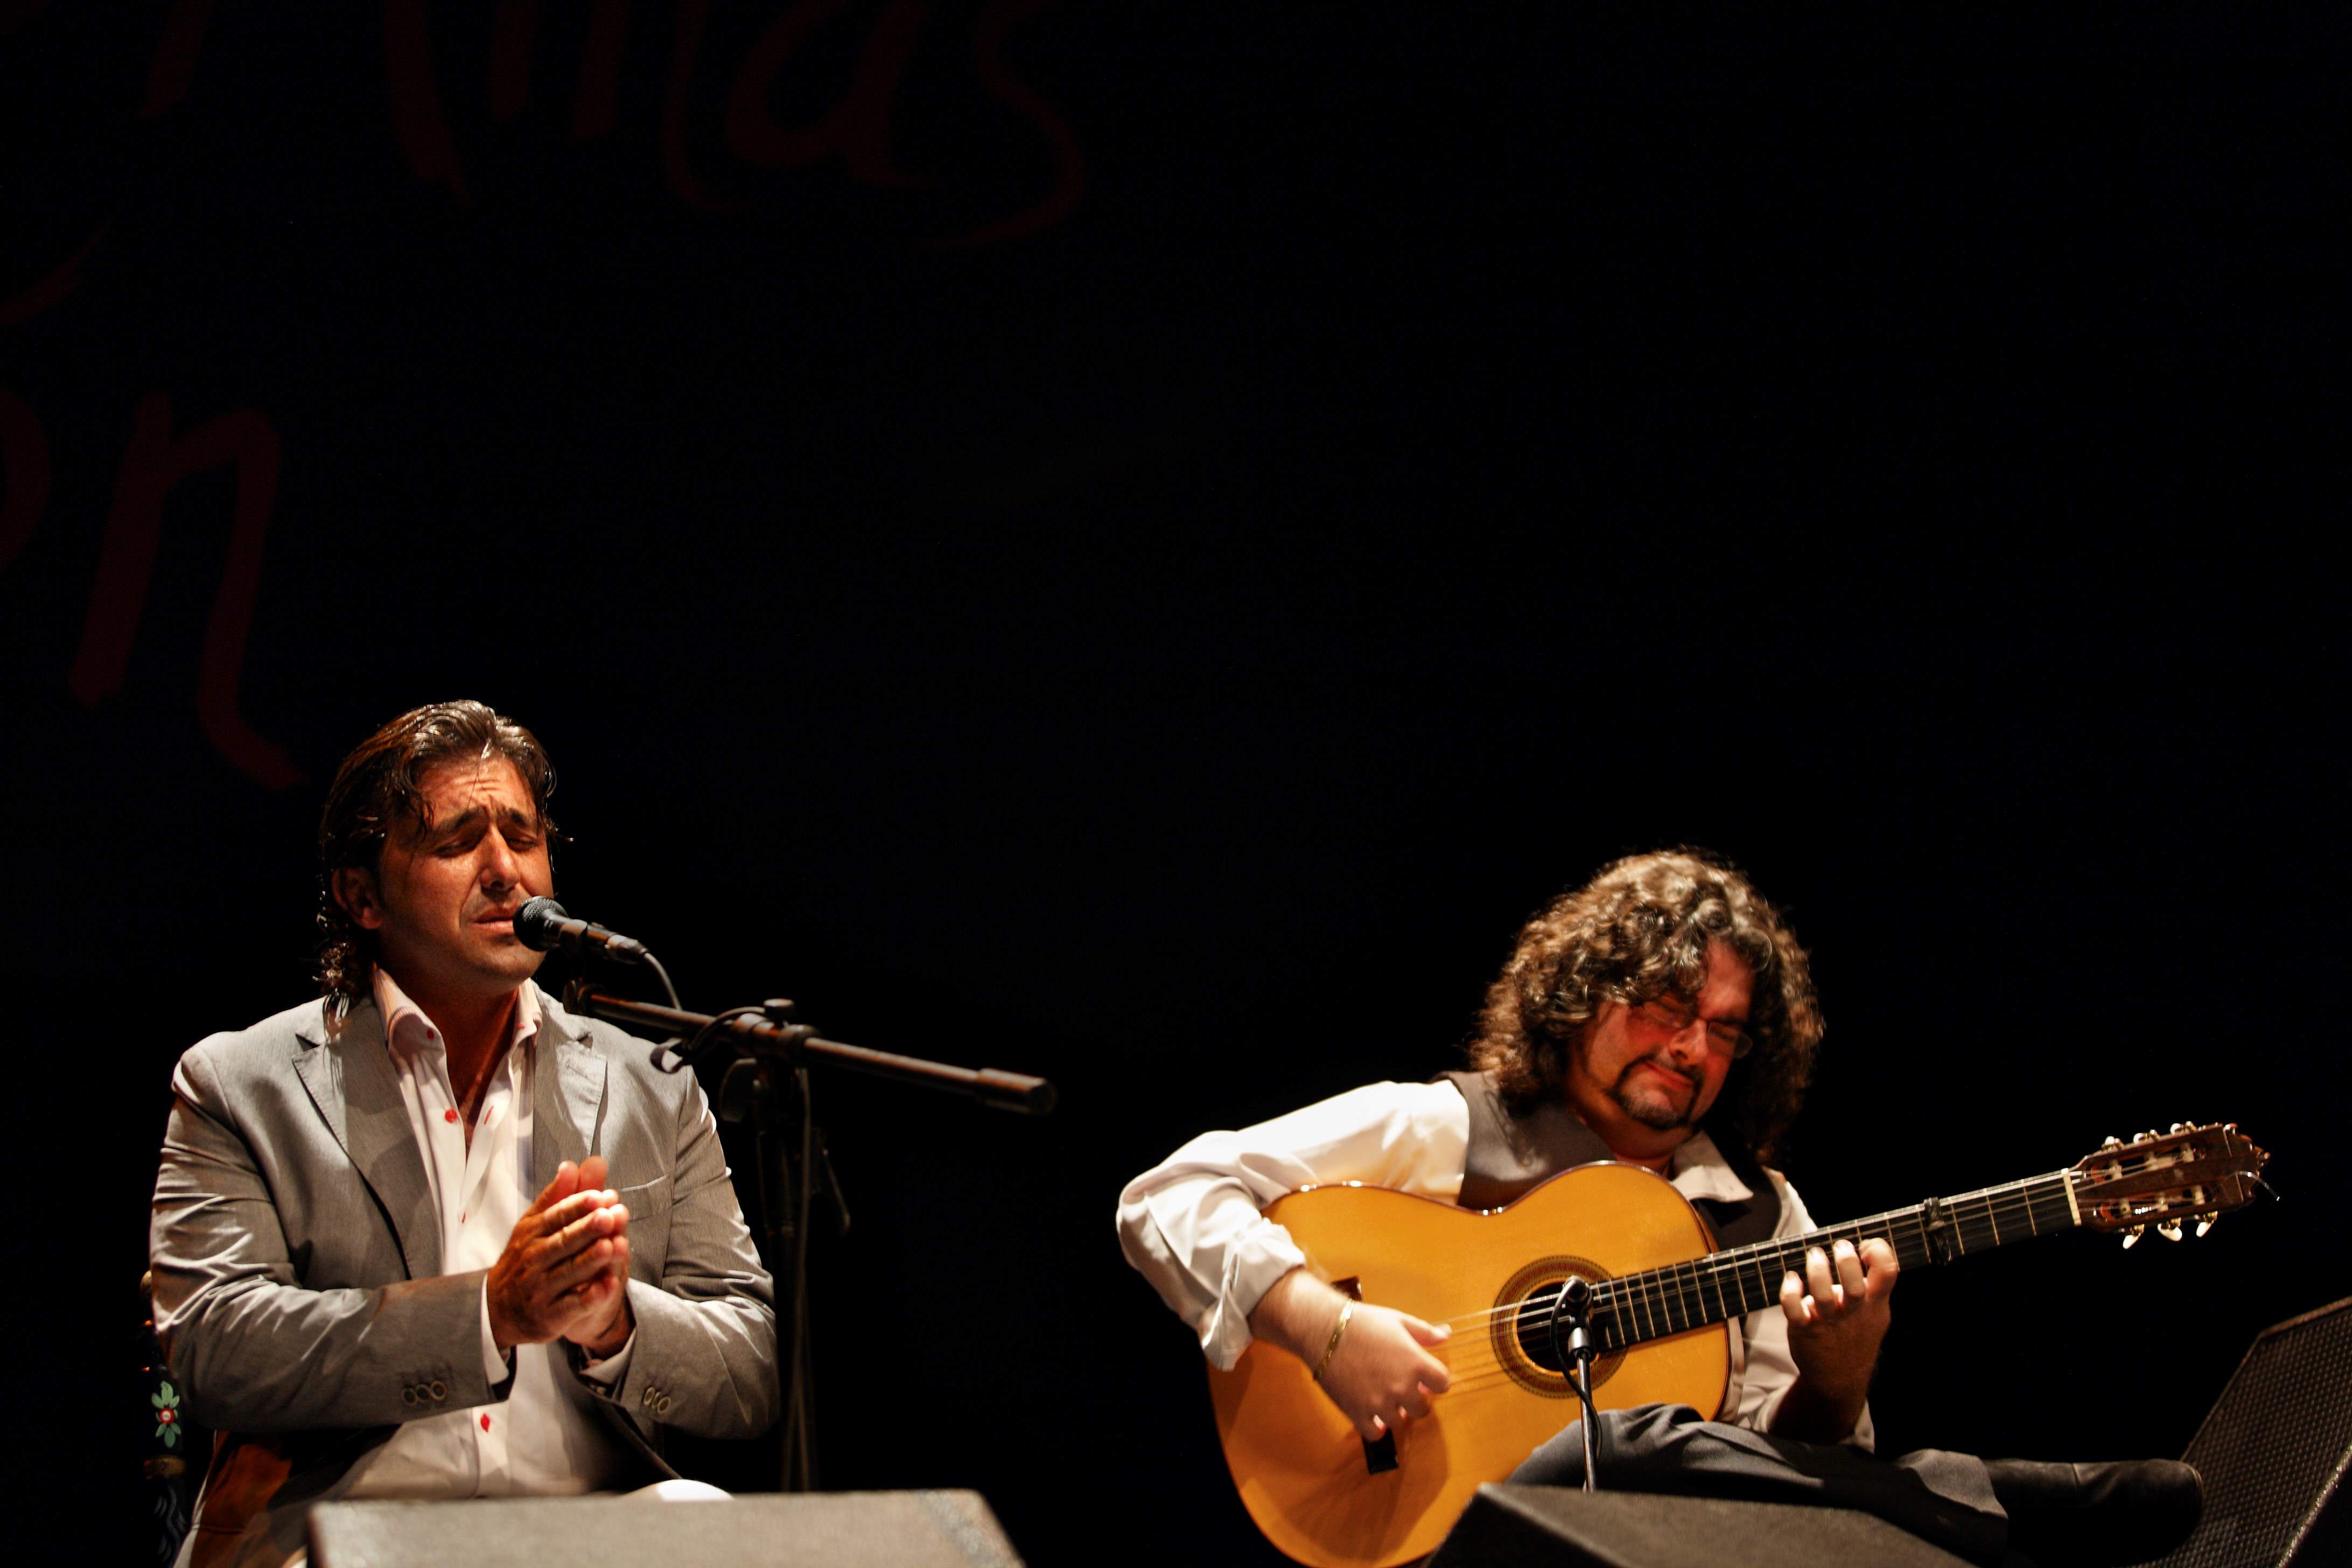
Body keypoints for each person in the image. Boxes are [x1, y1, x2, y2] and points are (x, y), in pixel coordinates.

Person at [1116, 849, 2199, 1567]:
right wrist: (1328, 1327)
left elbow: (1801, 1494)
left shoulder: (1761, 1216)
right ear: (1582, 992)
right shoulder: (1456, 1129)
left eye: (1725, 1030)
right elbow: (1170, 1195)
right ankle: (1986, 1505)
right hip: (1457, 1536)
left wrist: (1834, 1379)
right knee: (1618, 1440)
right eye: (1670, 1006)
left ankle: (1960, 1507)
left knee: (1647, 1448)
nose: (1692, 1047)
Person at [151, 701, 780, 1568]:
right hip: (350, 1536)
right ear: (361, 896)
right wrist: (489, 1314)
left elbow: (749, 1368)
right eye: (457, 842)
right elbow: (217, 1348)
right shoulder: (240, 1084)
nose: (504, 871)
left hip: (590, 1536)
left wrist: (615, 1323)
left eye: (522, 837)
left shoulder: (653, 1085)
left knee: (705, 1517)